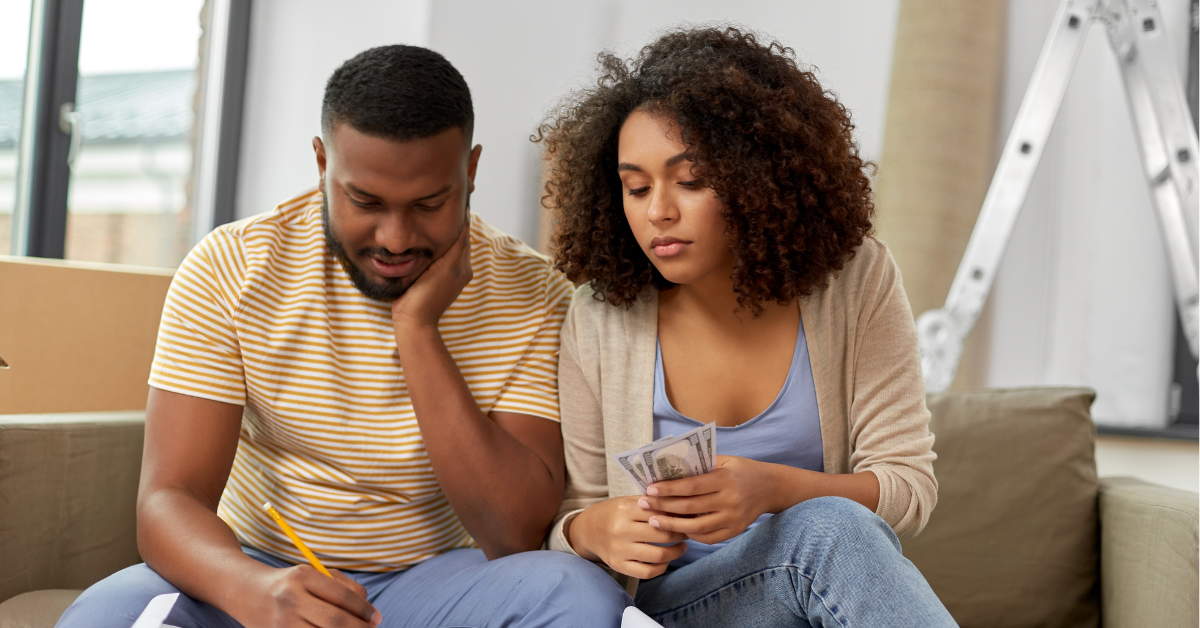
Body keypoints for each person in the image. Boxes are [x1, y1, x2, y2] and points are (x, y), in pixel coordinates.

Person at [57, 45, 629, 628]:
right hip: (255, 570)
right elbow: (168, 499)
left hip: (440, 581)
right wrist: (252, 590)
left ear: (471, 170)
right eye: (366, 201)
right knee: (105, 617)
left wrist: (417, 331)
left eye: (429, 204)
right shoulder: (231, 266)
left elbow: (514, 534)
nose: (397, 238)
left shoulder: (535, 293)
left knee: (576, 594)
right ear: (322, 162)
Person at [536, 27, 957, 627]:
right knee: (828, 532)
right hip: (675, 607)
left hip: (815, 597)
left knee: (827, 529)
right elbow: (566, 519)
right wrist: (590, 530)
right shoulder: (600, 315)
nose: (658, 210)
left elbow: (908, 488)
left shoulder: (854, 281)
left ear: (759, 178)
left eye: (690, 181)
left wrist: (773, 489)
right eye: (636, 187)